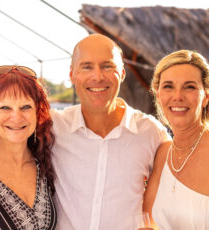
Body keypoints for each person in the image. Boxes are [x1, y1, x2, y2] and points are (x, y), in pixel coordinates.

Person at [50, 33, 170, 230]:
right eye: (87, 66)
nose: (97, 76)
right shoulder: (53, 126)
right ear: (72, 75)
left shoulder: (151, 133)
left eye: (107, 66)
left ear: (122, 73)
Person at [0, 66, 57, 229]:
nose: (16, 117)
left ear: (38, 112)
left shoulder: (44, 162)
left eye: (26, 107)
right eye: (5, 107)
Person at [143, 50, 209, 229]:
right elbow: (148, 222)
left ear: (206, 96)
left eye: (189, 87)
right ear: (158, 94)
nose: (178, 96)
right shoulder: (163, 153)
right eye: (168, 86)